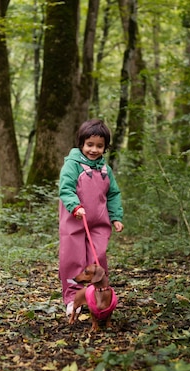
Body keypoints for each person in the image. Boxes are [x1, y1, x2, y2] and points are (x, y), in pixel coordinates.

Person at [58, 119, 124, 318]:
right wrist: (74, 206)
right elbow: (66, 188)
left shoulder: (105, 170)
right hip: (75, 220)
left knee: (98, 259)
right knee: (73, 258)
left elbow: (113, 194)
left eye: (99, 146)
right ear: (81, 144)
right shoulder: (73, 165)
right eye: (90, 145)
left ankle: (99, 297)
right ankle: (72, 299)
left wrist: (116, 217)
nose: (94, 150)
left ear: (105, 148)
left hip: (99, 222)